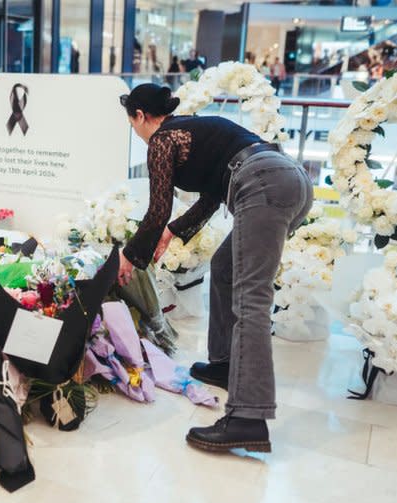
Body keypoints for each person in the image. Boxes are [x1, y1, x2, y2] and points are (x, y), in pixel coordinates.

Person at [117, 84, 313, 453]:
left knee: (251, 297)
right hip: (289, 179)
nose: (137, 132)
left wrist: (129, 256)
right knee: (224, 267)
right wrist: (172, 233)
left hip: (263, 184)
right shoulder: (193, 129)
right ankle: (225, 364)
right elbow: (212, 196)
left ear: (141, 116)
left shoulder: (162, 140)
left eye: (133, 123)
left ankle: (247, 418)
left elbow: (158, 209)